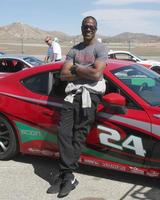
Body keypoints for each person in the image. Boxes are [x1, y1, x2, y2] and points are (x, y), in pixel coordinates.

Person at [47, 16, 108, 198]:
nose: (88, 29)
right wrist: (84, 70)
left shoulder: (100, 48)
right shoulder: (74, 49)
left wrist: (76, 69)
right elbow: (64, 75)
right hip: (72, 94)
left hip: (91, 95)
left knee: (79, 134)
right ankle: (68, 176)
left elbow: (97, 74)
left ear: (95, 29)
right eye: (85, 26)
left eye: (91, 26)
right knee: (64, 132)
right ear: (81, 28)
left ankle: (66, 175)